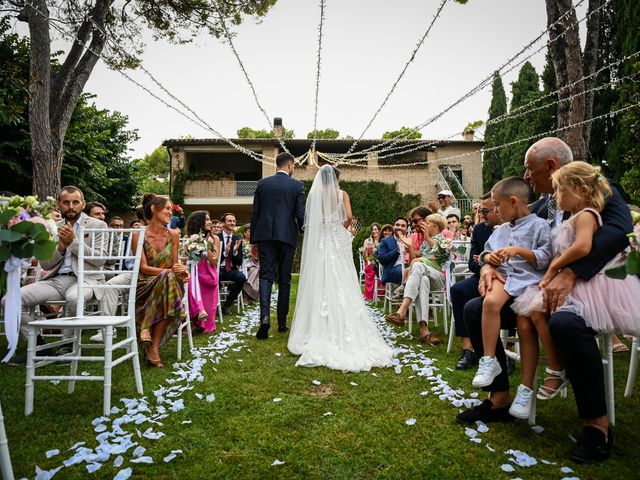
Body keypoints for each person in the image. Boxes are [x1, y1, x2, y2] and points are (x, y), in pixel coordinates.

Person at [458, 137, 630, 464]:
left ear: (551, 167)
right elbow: (501, 240)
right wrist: (486, 267)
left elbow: (618, 230)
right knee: (474, 307)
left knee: (564, 323)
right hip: (536, 290)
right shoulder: (537, 207)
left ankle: (597, 425)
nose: (526, 176)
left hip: (586, 291)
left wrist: (572, 272)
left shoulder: (599, 191)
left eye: (530, 169)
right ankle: (499, 399)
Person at [511, 162, 640, 416]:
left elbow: (582, 248)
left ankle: (560, 373)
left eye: (559, 190)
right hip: (565, 281)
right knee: (529, 313)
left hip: (590, 286)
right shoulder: (569, 214)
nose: (555, 196)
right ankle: (553, 367)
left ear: (580, 190)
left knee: (553, 318)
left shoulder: (587, 214)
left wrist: (554, 268)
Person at [288, 165, 394, 371]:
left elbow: (312, 221)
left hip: (322, 241)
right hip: (335, 239)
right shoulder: (342, 193)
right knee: (342, 277)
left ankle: (317, 326)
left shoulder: (315, 195)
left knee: (320, 277)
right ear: (336, 179)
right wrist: (339, 229)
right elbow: (349, 217)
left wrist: (327, 227)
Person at [4, 186, 108, 364]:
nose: (71, 206)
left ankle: (67, 347)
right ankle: (38, 347)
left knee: (74, 297)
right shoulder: (52, 227)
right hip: (56, 280)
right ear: (59, 204)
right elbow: (45, 263)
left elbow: (101, 260)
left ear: (83, 204)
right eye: (66, 202)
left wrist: (73, 243)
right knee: (9, 301)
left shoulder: (98, 225)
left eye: (75, 202)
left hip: (86, 279)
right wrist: (60, 247)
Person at [470, 177, 553, 391]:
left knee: (525, 327)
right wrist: (488, 260)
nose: (494, 210)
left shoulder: (540, 226)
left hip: (531, 282)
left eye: (497, 205)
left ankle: (526, 387)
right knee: (489, 302)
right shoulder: (501, 230)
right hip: (505, 278)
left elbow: (546, 257)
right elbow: (485, 252)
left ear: (514, 201)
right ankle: (489, 360)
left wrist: (518, 251)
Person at [251, 152, 305, 339]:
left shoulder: (262, 184)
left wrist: (254, 240)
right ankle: (282, 323)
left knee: (265, 276)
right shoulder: (296, 185)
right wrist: (305, 231)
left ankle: (264, 318)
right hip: (287, 236)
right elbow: (300, 214)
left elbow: (255, 213)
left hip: (265, 236)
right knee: (284, 279)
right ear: (289, 166)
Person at [132, 194, 187, 368]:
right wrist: (170, 271)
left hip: (170, 283)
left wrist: (181, 269)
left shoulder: (174, 234)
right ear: (154, 209)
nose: (171, 213)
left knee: (169, 278)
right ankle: (152, 346)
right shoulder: (137, 235)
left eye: (171, 209)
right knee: (167, 277)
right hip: (145, 284)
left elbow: (175, 264)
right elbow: (142, 268)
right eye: (167, 208)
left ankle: (149, 336)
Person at [450, 193, 498, 370]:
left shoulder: (512, 227)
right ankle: (468, 348)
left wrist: (485, 260)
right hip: (480, 275)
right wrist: (484, 264)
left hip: (505, 278)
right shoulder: (479, 230)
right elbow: (472, 261)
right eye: (481, 211)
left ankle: (505, 350)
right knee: (457, 290)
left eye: (485, 210)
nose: (482, 215)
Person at [385, 214, 449, 344]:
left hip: (438, 279)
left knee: (419, 265)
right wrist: (410, 246)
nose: (423, 224)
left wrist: (427, 238)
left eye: (427, 222)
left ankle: (402, 310)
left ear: (435, 226)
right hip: (425, 276)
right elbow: (414, 259)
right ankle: (424, 330)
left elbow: (441, 253)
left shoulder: (443, 239)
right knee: (422, 280)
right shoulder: (426, 242)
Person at [186, 210, 220, 334]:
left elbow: (215, 261)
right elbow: (184, 258)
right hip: (192, 272)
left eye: (209, 219)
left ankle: (199, 318)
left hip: (207, 275)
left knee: (191, 281)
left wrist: (203, 245)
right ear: (198, 222)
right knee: (188, 280)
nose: (210, 222)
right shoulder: (188, 239)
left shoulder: (214, 238)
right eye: (207, 219)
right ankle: (195, 316)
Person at [218, 212, 246, 316]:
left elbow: (239, 262)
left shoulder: (237, 239)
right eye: (229, 221)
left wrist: (234, 252)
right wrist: (226, 252)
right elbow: (214, 259)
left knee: (241, 277)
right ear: (223, 223)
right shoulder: (217, 238)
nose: (232, 223)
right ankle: (214, 304)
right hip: (219, 269)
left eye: (234, 221)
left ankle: (227, 305)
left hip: (231, 270)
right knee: (216, 277)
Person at [377, 217, 409, 285]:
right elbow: (382, 259)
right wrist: (397, 250)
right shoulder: (386, 241)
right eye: (397, 225)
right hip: (392, 270)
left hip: (409, 266)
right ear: (394, 226)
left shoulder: (410, 240)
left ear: (407, 228)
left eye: (403, 226)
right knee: (406, 272)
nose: (399, 227)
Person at [362, 222, 382, 301]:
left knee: (379, 267)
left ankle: (379, 294)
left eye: (376, 229)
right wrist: (366, 249)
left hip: (380, 262)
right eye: (372, 230)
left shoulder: (382, 240)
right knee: (370, 268)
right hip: (370, 261)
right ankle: (370, 295)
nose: (374, 231)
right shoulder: (367, 241)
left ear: (379, 230)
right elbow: (365, 257)